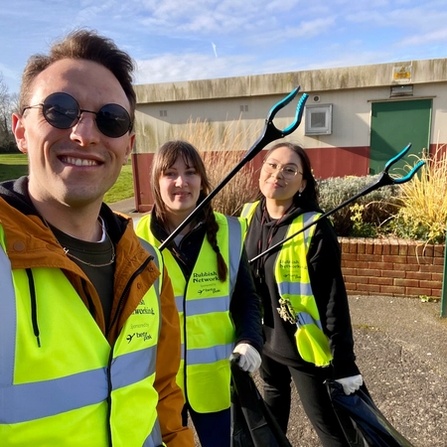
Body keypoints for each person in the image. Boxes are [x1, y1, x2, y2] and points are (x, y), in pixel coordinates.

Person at [0, 29, 194, 447]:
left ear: (128, 145)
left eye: (110, 119)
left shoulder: (144, 262)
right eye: (60, 110)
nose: (85, 134)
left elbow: (163, 392)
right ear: (19, 130)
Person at [135, 140, 263, 447]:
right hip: (158, 386)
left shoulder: (229, 232)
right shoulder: (135, 238)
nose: (181, 182)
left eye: (190, 172)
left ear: (202, 181)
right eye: (170, 174)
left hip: (214, 381)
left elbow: (247, 299)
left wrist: (250, 340)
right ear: (157, 182)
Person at [241, 142, 364, 447]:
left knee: (330, 429)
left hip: (304, 347)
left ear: (303, 183)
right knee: (271, 426)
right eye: (271, 165)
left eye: (289, 169)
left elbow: (334, 299)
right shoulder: (248, 215)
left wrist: (344, 363)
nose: (277, 174)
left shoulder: (314, 227)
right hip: (264, 343)